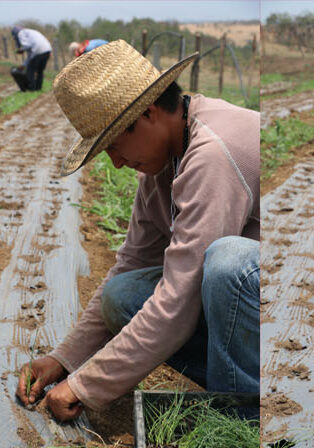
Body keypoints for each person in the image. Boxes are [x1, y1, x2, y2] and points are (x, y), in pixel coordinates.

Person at [15, 41, 261, 422]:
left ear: (147, 114)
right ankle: (229, 379)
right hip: (245, 309)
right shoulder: (164, 161)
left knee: (229, 262)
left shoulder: (212, 152)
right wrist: (64, 359)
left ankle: (242, 415)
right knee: (123, 293)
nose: (114, 163)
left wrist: (86, 386)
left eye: (113, 145)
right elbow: (131, 263)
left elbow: (177, 304)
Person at [10, 26, 51, 92]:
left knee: (30, 70)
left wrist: (21, 50)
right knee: (40, 71)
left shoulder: (20, 33)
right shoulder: (30, 32)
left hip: (38, 50)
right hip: (47, 50)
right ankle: (38, 88)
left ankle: (31, 89)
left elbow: (27, 46)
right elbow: (30, 54)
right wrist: (24, 64)